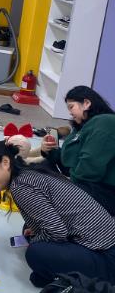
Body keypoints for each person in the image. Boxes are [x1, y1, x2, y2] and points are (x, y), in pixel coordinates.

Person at [0, 140, 115, 287]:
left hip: (105, 254)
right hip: (103, 237)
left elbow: (58, 232)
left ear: (5, 162)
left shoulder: (21, 187)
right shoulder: (28, 173)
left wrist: (37, 239)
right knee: (30, 228)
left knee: (36, 253)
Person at [40, 86, 115, 215]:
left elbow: (90, 166)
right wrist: (49, 149)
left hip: (106, 191)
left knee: (44, 191)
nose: (70, 112)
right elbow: (68, 162)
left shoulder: (105, 122)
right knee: (39, 172)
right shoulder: (82, 126)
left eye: (71, 107)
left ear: (86, 103)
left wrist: (67, 182)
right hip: (88, 184)